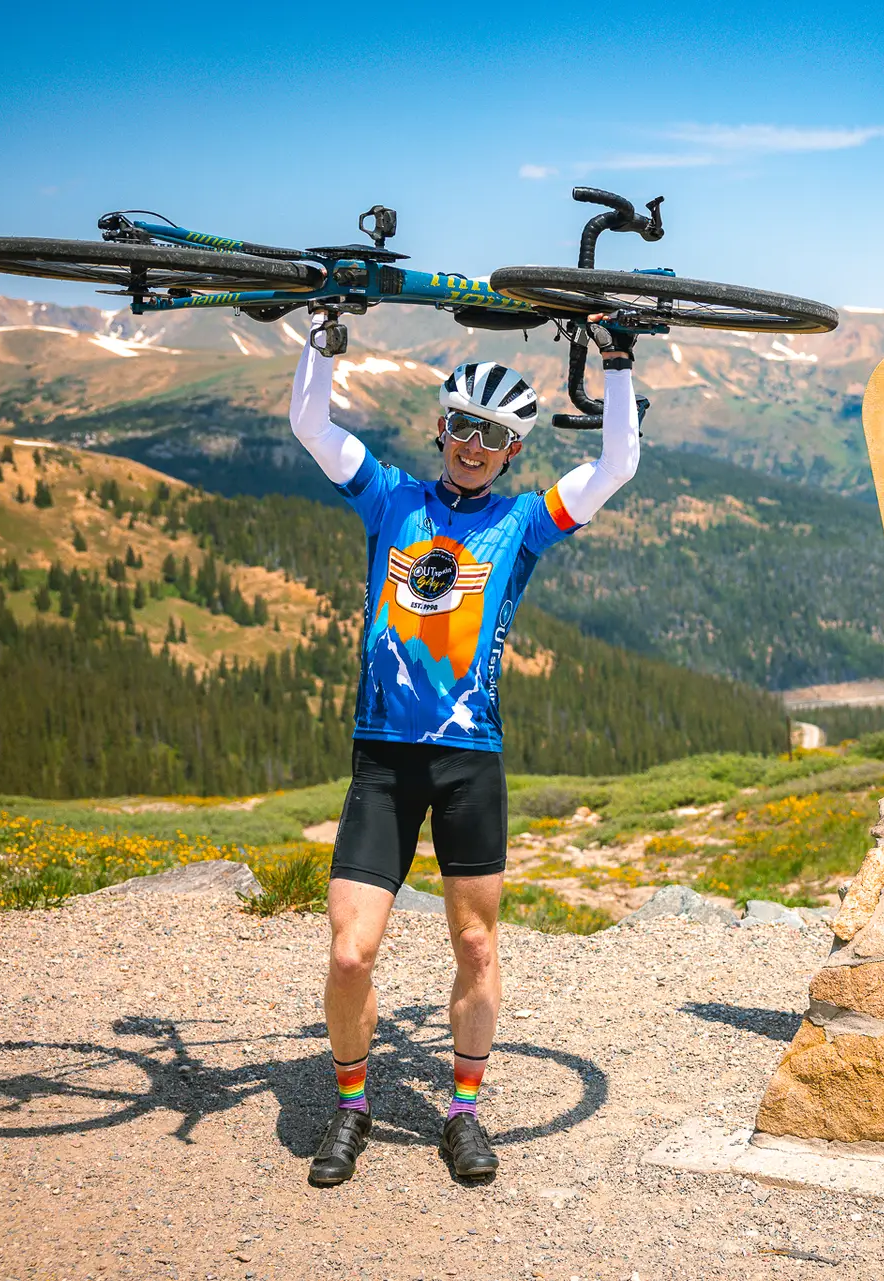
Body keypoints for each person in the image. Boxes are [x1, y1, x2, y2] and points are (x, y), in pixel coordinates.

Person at [287, 311, 641, 1185]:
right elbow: (311, 425)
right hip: (384, 756)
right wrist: (320, 342)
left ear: (514, 449)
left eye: (495, 434)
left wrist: (621, 361)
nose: (474, 445)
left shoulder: (524, 522)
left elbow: (618, 464)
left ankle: (465, 1113)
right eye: (462, 426)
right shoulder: (391, 497)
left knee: (477, 947)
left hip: (468, 758)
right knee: (348, 951)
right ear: (441, 428)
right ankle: (353, 1104)